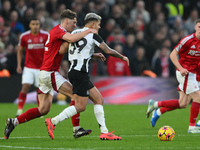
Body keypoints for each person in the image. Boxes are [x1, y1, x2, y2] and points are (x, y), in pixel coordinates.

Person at [4, 9, 99, 140]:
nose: (75, 25)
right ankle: (76, 129)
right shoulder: (59, 31)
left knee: (43, 109)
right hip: (50, 73)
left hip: (44, 73)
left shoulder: (58, 33)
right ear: (66, 21)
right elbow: (71, 39)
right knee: (75, 95)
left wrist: (92, 55)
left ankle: (14, 122)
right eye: (74, 22)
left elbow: (64, 50)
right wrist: (88, 30)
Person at [44, 13, 129, 140]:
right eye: (99, 24)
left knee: (99, 99)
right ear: (93, 24)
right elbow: (108, 50)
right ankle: (53, 121)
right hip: (80, 74)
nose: (100, 27)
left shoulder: (74, 33)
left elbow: (64, 50)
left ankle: (104, 131)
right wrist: (122, 57)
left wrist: (91, 54)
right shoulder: (93, 34)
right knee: (80, 106)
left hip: (74, 72)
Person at [146, 19, 200, 133]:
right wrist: (181, 68)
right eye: (199, 27)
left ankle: (156, 106)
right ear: (195, 27)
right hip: (184, 73)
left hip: (193, 74)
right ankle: (192, 127)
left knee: (183, 104)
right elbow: (172, 54)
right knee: (198, 98)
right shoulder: (187, 40)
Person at [15, 17, 48, 117]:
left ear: (39, 25)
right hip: (28, 67)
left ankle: (40, 110)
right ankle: (20, 109)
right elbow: (20, 51)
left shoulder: (46, 35)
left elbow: (49, 50)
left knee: (39, 89)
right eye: (33, 24)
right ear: (30, 25)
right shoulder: (24, 36)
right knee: (25, 86)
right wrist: (19, 65)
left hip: (41, 67)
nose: (35, 26)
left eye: (37, 24)